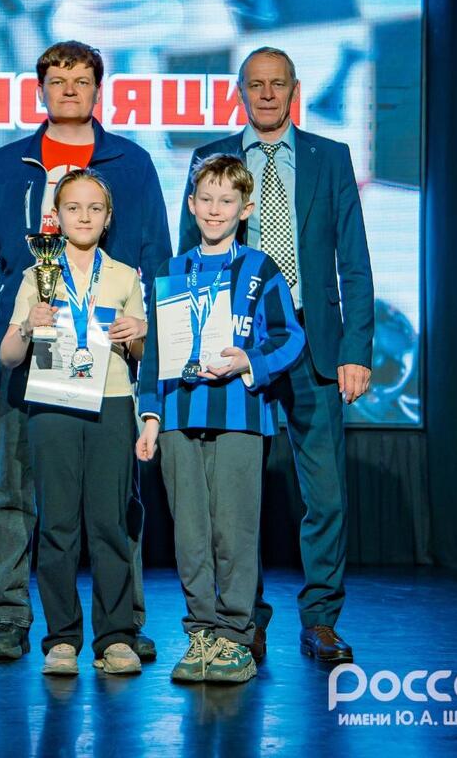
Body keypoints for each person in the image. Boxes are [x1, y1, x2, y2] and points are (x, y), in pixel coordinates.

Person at [0, 40, 171, 662]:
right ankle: (10, 617)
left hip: (108, 363)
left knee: (115, 502)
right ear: (41, 90)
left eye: (82, 80)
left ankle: (123, 623)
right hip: (27, 349)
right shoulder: (8, 164)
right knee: (15, 491)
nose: (70, 90)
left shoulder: (131, 163)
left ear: (98, 90)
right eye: (58, 80)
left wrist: (150, 339)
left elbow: (157, 261)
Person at [178, 47, 374, 663]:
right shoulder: (211, 159)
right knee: (238, 500)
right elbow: (188, 261)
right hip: (236, 348)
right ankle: (246, 618)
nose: (267, 94)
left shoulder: (329, 157)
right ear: (239, 91)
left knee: (327, 495)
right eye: (256, 84)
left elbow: (354, 260)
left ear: (294, 89)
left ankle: (320, 620)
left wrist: (356, 349)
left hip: (315, 344)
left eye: (277, 84)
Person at [137, 154, 304, 683]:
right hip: (178, 418)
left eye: (226, 201)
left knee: (234, 532)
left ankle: (235, 635)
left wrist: (248, 360)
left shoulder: (261, 269)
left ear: (245, 209)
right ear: (191, 204)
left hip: (240, 417)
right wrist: (149, 417)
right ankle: (201, 633)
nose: (215, 209)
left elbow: (289, 337)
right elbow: (155, 354)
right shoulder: (171, 271)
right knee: (190, 535)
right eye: (206, 199)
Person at [0, 169, 147, 676]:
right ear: (56, 217)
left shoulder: (124, 276)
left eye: (94, 209)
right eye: (73, 208)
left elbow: (141, 353)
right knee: (58, 523)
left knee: (109, 523)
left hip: (111, 402)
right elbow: (9, 356)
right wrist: (27, 326)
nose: (84, 217)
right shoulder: (37, 274)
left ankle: (116, 637)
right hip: (53, 403)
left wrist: (138, 332)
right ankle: (61, 638)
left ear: (108, 218)